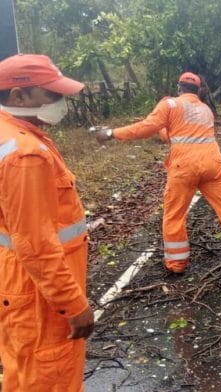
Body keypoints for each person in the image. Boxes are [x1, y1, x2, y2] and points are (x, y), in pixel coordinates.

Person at [94, 72, 221, 273]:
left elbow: (146, 128)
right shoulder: (206, 109)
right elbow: (178, 134)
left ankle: (176, 264)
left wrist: (112, 133)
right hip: (212, 165)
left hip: (184, 168)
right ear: (198, 90)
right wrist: (161, 128)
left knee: (174, 214)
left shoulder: (170, 104)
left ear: (178, 87)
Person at [0, 54, 95, 391]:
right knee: (50, 376)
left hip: (18, 286)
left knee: (23, 374)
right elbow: (36, 244)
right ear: (18, 97)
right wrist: (73, 304)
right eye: (51, 95)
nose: (61, 103)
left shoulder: (9, 133)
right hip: (41, 300)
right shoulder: (25, 154)